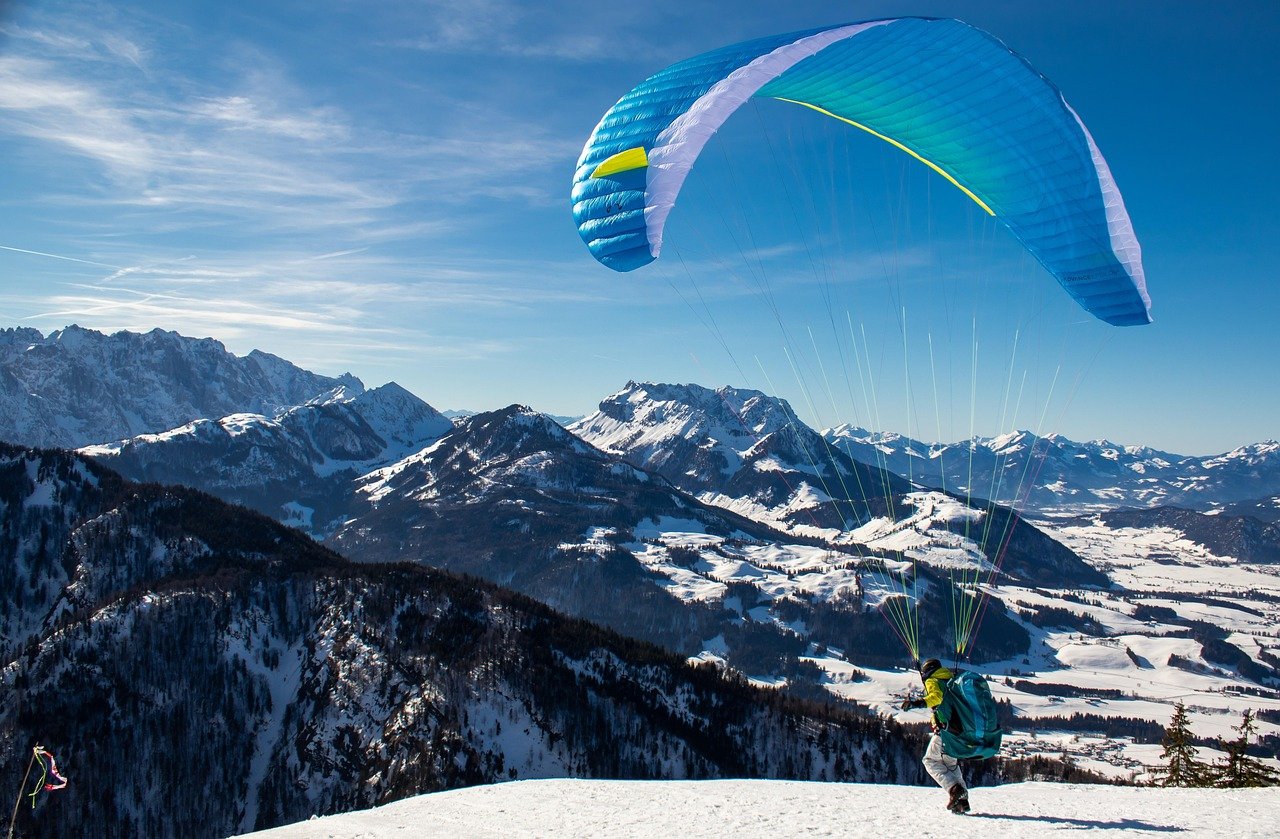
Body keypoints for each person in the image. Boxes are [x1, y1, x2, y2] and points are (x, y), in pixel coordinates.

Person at [900, 658, 970, 814]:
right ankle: (962, 800)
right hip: (961, 731)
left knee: (930, 760)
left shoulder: (933, 680)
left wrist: (916, 703)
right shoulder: (952, 681)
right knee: (950, 765)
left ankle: (955, 790)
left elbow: (936, 697)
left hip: (946, 731)